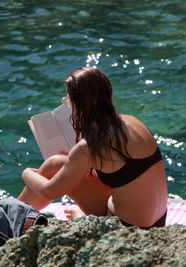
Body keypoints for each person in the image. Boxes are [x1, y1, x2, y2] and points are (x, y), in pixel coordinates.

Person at [18, 67, 167, 228]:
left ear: (79, 105)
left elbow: (50, 191)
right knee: (57, 163)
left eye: (69, 102)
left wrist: (26, 173)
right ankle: (15, 215)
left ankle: (9, 219)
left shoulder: (90, 146)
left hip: (127, 229)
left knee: (52, 169)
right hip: (158, 222)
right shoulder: (133, 122)